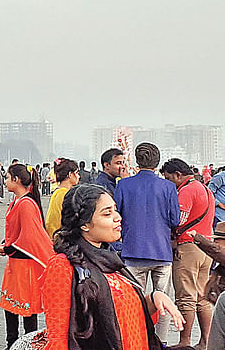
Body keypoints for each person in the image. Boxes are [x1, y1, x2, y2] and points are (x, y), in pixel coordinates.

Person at [37, 184, 184, 350]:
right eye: (107, 213)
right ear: (85, 224)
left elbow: (126, 316)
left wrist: (153, 299)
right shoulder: (63, 267)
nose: (118, 217)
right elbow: (60, 338)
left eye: (115, 210)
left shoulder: (112, 262)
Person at [113, 142, 180, 344]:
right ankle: (161, 341)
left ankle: (137, 338)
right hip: (161, 252)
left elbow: (117, 215)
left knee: (134, 302)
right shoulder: (168, 187)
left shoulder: (123, 185)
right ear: (157, 162)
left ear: (137, 160)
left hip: (133, 251)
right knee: (163, 302)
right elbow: (175, 220)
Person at [160, 158, 215, 348]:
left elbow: (179, 220)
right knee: (202, 298)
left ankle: (184, 341)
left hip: (188, 247)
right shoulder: (205, 188)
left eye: (168, 178)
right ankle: (205, 341)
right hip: (205, 246)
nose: (168, 183)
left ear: (178, 175)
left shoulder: (186, 190)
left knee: (185, 298)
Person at [0, 164, 53, 348]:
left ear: (17, 180)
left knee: (27, 309)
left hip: (25, 265)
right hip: (16, 264)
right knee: (10, 306)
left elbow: (29, 239)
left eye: (7, 178)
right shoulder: (17, 201)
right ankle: (12, 343)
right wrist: (7, 248)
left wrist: (7, 249)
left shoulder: (26, 204)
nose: (5, 182)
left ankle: (29, 344)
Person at [44, 158, 80, 238]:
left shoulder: (60, 192)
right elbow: (54, 221)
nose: (79, 176)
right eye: (77, 173)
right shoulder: (63, 194)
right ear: (70, 174)